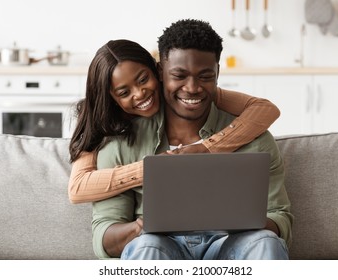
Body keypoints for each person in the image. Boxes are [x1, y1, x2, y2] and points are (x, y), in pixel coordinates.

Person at [92, 19, 293, 260]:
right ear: (160, 73)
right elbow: (104, 234)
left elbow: (280, 217)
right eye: (179, 75)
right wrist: (143, 226)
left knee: (265, 242)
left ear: (217, 73)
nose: (192, 88)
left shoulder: (255, 139)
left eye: (205, 76)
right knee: (146, 247)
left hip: (230, 246)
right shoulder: (122, 142)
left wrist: (236, 222)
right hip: (160, 247)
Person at [67, 39, 281, 204]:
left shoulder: (182, 93)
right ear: (110, 96)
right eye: (124, 92)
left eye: (143, 79)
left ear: (157, 71)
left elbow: (265, 109)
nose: (140, 93)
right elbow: (78, 189)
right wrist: (152, 169)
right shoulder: (98, 117)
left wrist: (208, 148)